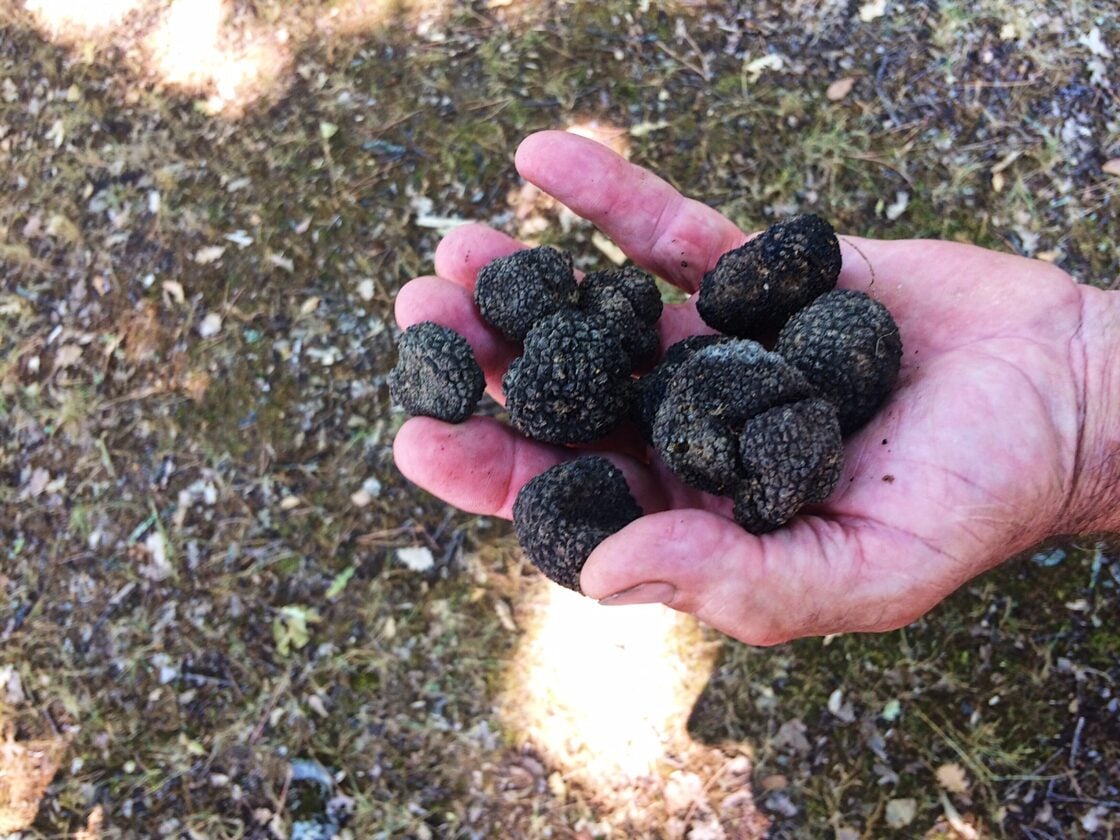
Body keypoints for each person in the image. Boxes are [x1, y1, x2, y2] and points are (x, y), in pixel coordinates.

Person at [392, 130, 1120, 646]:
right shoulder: (671, 382)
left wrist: (1081, 399)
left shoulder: (771, 403)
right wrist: (1078, 400)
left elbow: (757, 416)